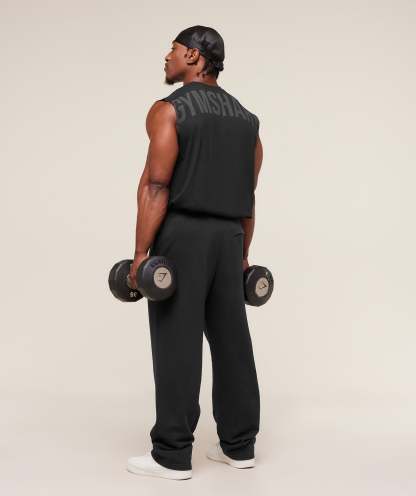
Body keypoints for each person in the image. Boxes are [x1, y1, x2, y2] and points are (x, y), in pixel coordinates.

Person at [126, 25, 263, 481]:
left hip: (182, 236)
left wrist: (140, 255)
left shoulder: (169, 109)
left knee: (177, 341)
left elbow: (156, 185)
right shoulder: (248, 120)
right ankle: (240, 446)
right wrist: (242, 256)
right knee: (231, 340)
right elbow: (248, 195)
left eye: (173, 50)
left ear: (194, 56)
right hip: (230, 237)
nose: (167, 57)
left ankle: (171, 455)